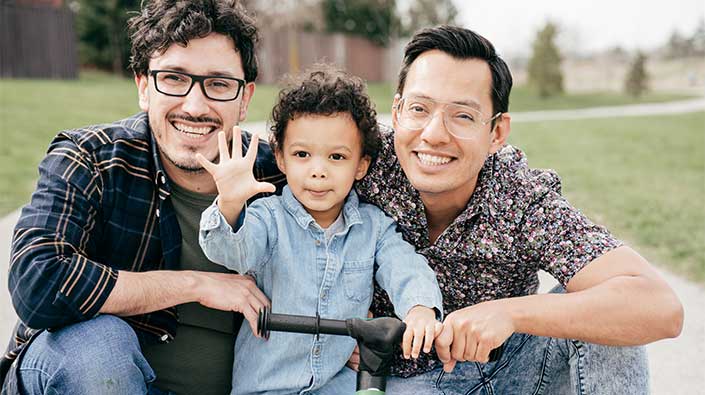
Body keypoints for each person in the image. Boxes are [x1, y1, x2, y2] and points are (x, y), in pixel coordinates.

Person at [350, 25, 684, 394]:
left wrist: (509, 312)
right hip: (388, 380)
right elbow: (287, 152)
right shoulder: (354, 160)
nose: (434, 133)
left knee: (604, 311)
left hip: (509, 373)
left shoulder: (519, 197)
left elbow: (659, 306)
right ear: (396, 112)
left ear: (496, 132)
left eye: (462, 116)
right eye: (419, 108)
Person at [1, 1, 286, 394]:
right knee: (101, 347)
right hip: (87, 377)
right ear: (143, 87)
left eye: (218, 84)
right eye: (173, 78)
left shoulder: (283, 176)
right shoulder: (91, 158)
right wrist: (196, 284)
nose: (195, 106)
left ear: (245, 97)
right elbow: (38, 281)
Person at [197, 66, 444, 394]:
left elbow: (406, 267)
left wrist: (420, 308)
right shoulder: (267, 218)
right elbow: (231, 252)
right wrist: (229, 204)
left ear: (361, 165)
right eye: (302, 154)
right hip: (265, 386)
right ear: (281, 159)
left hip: (334, 383)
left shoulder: (374, 228)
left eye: (336, 157)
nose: (318, 171)